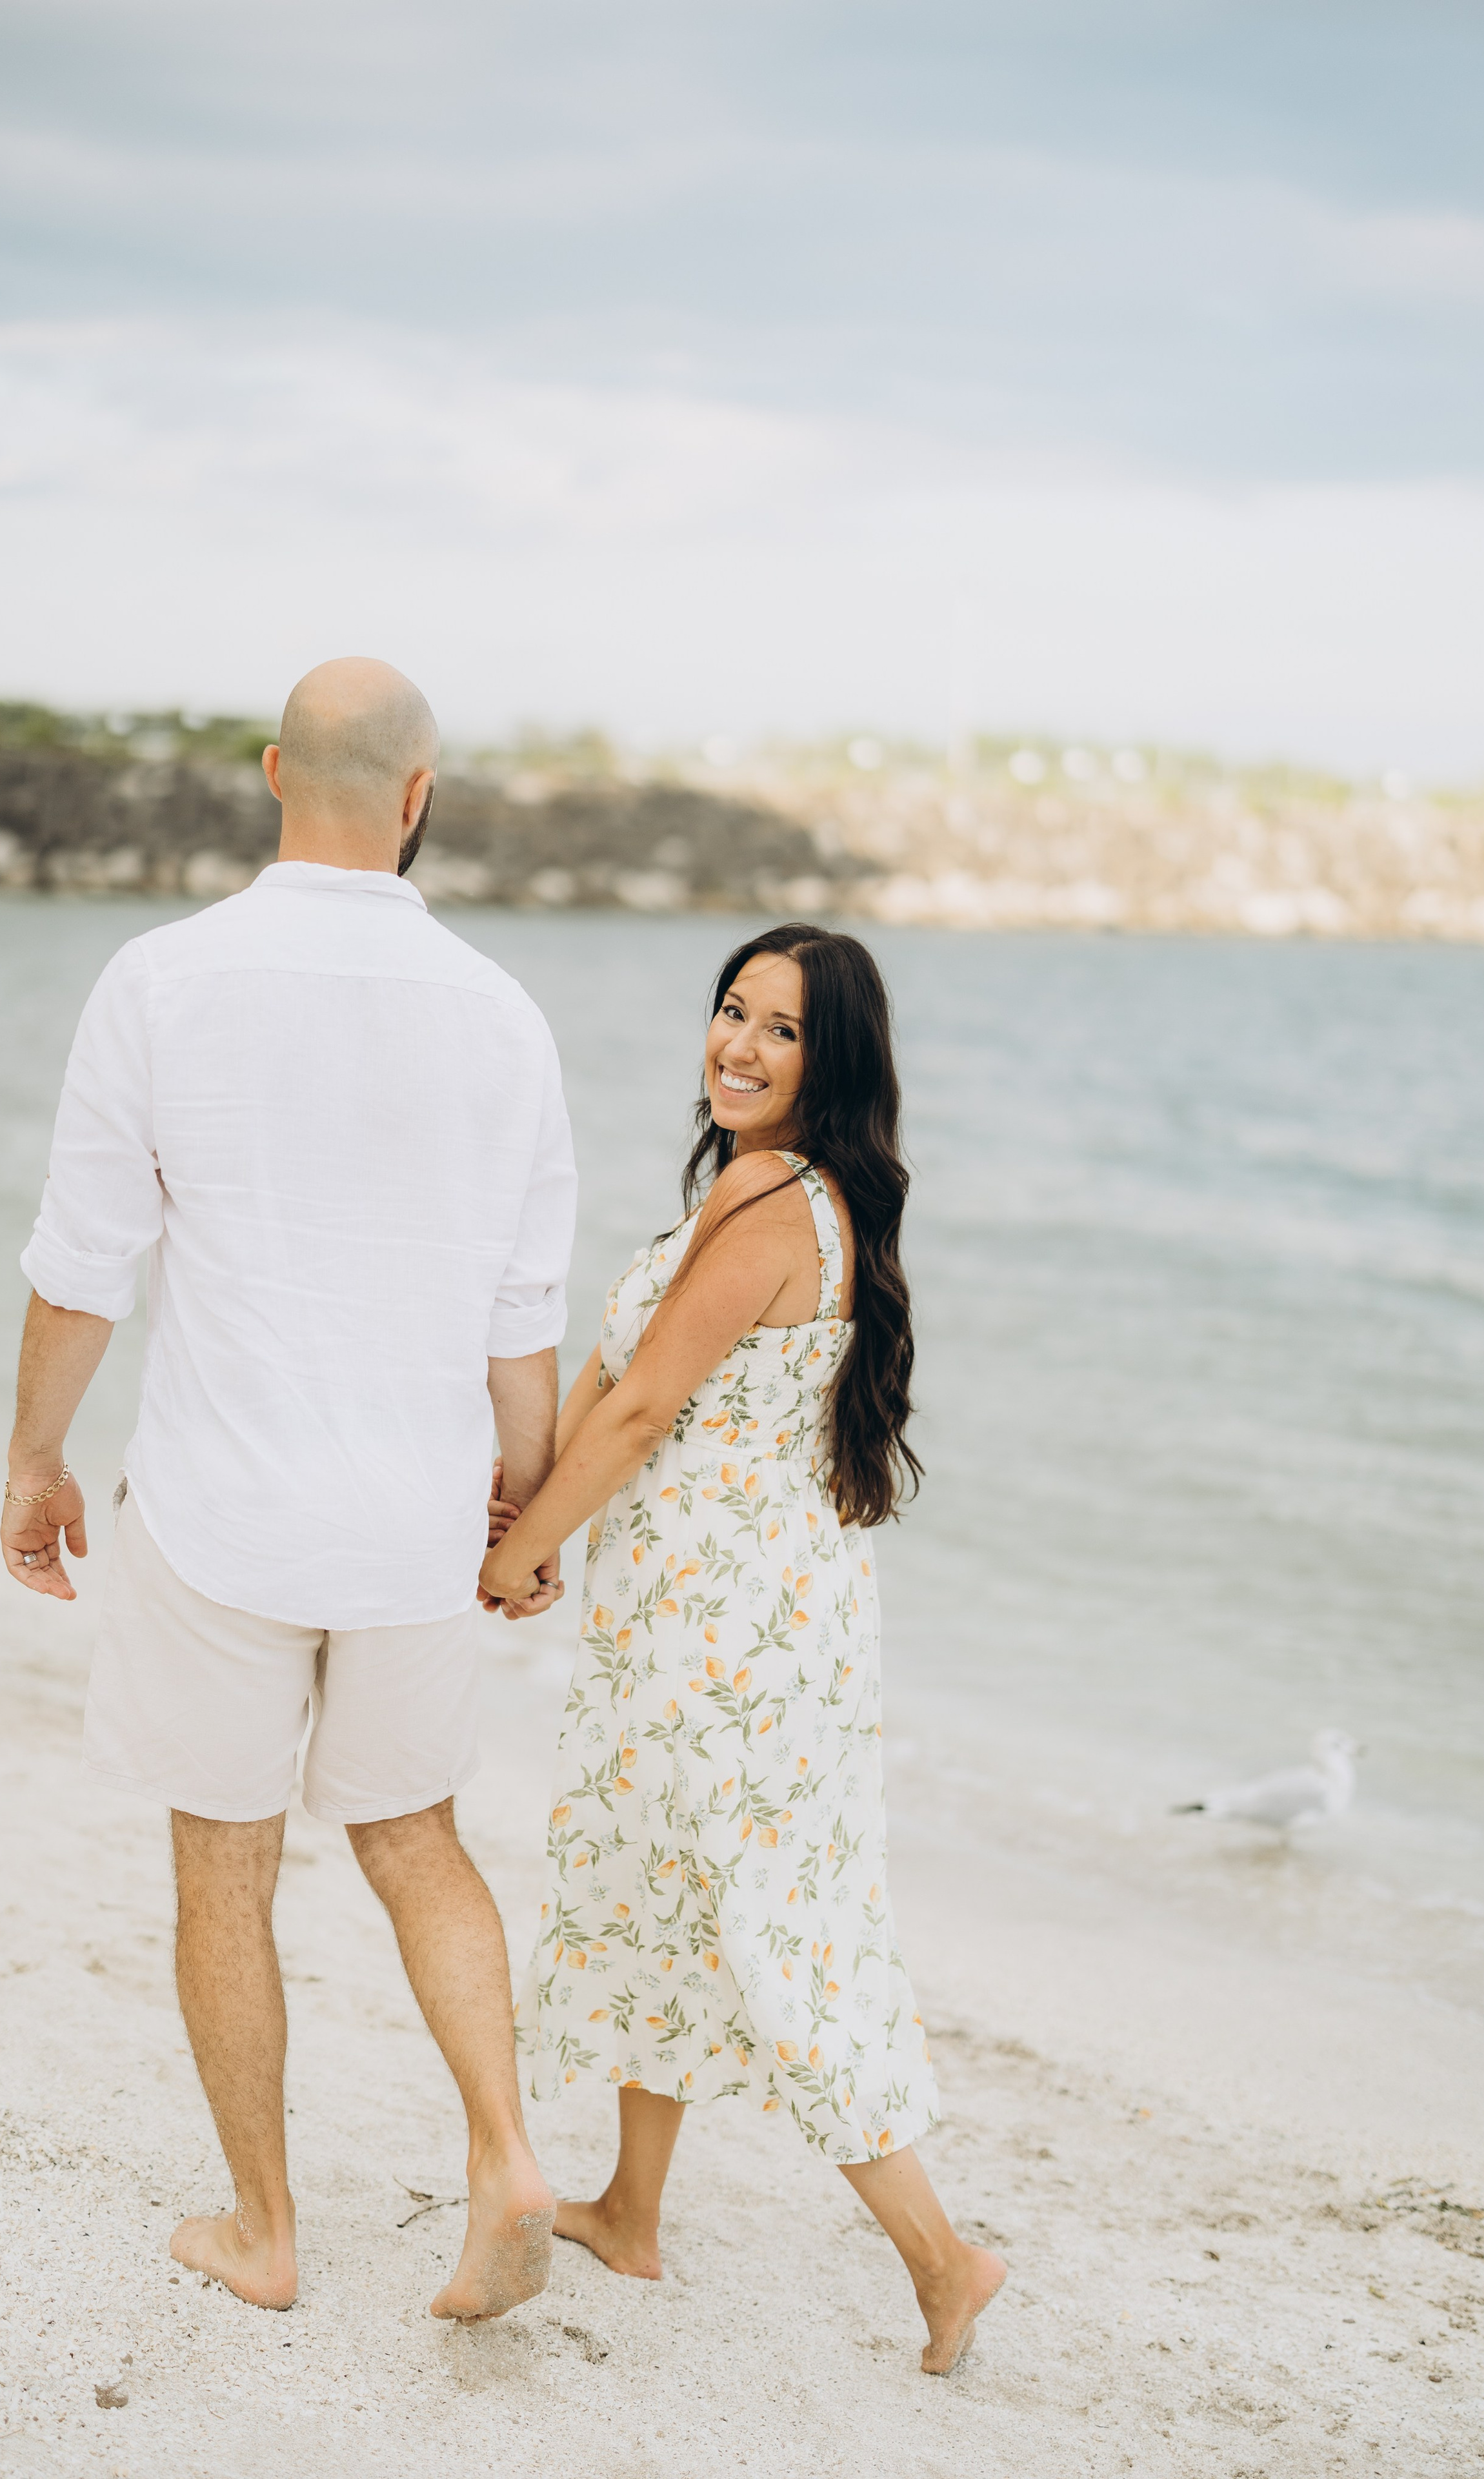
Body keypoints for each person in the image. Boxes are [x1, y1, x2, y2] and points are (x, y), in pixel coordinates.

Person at [0, 658, 575, 2322]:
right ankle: (506, 2155)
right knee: (418, 1841)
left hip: (221, 1510)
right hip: (409, 1522)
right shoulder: (499, 1012)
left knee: (223, 1864)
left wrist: (36, 1456)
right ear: (416, 796)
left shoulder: (163, 979)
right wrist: (520, 1521)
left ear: (272, 774)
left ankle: (264, 2233)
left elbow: (83, 1265)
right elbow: (518, 1318)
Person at [478, 924, 1005, 2376]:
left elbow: (643, 1405)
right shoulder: (755, 1185)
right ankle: (630, 2207)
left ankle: (945, 2257)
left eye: (778, 1028)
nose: (736, 1044)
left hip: (731, 1645)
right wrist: (529, 1511)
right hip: (722, 1621)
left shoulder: (778, 1201)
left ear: (828, 1061)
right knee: (666, 1894)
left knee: (777, 1946)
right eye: (727, 1011)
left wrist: (523, 1548)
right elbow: (612, 1378)